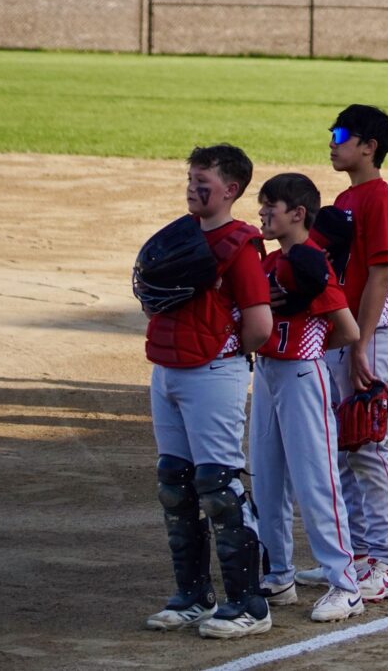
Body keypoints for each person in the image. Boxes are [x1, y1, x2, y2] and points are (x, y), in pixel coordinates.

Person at [142, 144, 274, 638]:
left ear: (230, 190)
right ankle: (193, 596)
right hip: (167, 369)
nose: (192, 190)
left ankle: (249, 605)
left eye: (204, 183)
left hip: (214, 372)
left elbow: (260, 326)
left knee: (218, 488)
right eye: (190, 181)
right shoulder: (179, 237)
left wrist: (224, 353)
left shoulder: (240, 248)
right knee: (174, 483)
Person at [293, 105, 388, 604]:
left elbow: (381, 273)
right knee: (343, 447)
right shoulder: (346, 197)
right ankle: (356, 555)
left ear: (369, 146)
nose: (332, 142)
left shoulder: (378, 199)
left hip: (369, 332)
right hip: (346, 334)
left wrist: (360, 342)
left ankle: (386, 562)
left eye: (341, 134)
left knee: (366, 445)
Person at [249, 173, 366, 623]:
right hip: (267, 374)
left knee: (316, 481)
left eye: (271, 206)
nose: (262, 213)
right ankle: (278, 575)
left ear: (298, 213)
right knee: (266, 478)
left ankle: (346, 585)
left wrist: (311, 345)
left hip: (301, 373)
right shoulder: (270, 262)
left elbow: (348, 330)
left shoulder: (312, 263)